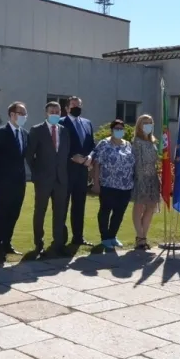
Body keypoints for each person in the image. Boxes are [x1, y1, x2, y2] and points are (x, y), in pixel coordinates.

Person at [81, 119, 135, 249]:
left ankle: (112, 236)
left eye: (121, 129)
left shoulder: (127, 144)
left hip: (125, 186)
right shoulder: (104, 144)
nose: (119, 131)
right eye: (116, 128)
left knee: (119, 213)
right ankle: (105, 237)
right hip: (108, 184)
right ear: (111, 130)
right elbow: (97, 164)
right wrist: (96, 183)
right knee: (105, 210)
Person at [26, 101, 70, 256]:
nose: (55, 114)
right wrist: (37, 173)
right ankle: (39, 244)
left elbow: (65, 154)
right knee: (40, 211)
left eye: (57, 112)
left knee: (60, 212)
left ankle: (58, 244)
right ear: (46, 113)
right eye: (52, 112)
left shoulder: (64, 131)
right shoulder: (37, 130)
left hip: (61, 179)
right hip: (43, 179)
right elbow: (29, 155)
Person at [0, 101, 29, 260]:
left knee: (14, 212)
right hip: (4, 182)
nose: (24, 116)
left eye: (25, 114)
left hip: (19, 181)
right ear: (12, 114)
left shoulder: (24, 134)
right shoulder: (0, 133)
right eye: (21, 113)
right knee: (2, 213)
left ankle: (7, 243)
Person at [59, 96, 95, 247]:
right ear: (67, 108)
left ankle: (78, 237)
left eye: (79, 105)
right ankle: (60, 239)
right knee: (62, 206)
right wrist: (71, 157)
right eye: (73, 105)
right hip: (66, 171)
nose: (77, 108)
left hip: (82, 172)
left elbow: (92, 145)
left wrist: (90, 157)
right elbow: (57, 146)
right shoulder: (60, 123)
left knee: (79, 205)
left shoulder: (87, 123)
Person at [131, 114, 161, 250]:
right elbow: (136, 162)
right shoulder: (137, 142)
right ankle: (140, 237)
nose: (148, 125)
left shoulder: (153, 141)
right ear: (139, 126)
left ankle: (143, 236)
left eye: (150, 123)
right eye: (145, 123)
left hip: (153, 178)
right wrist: (140, 179)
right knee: (139, 207)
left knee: (150, 208)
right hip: (141, 177)